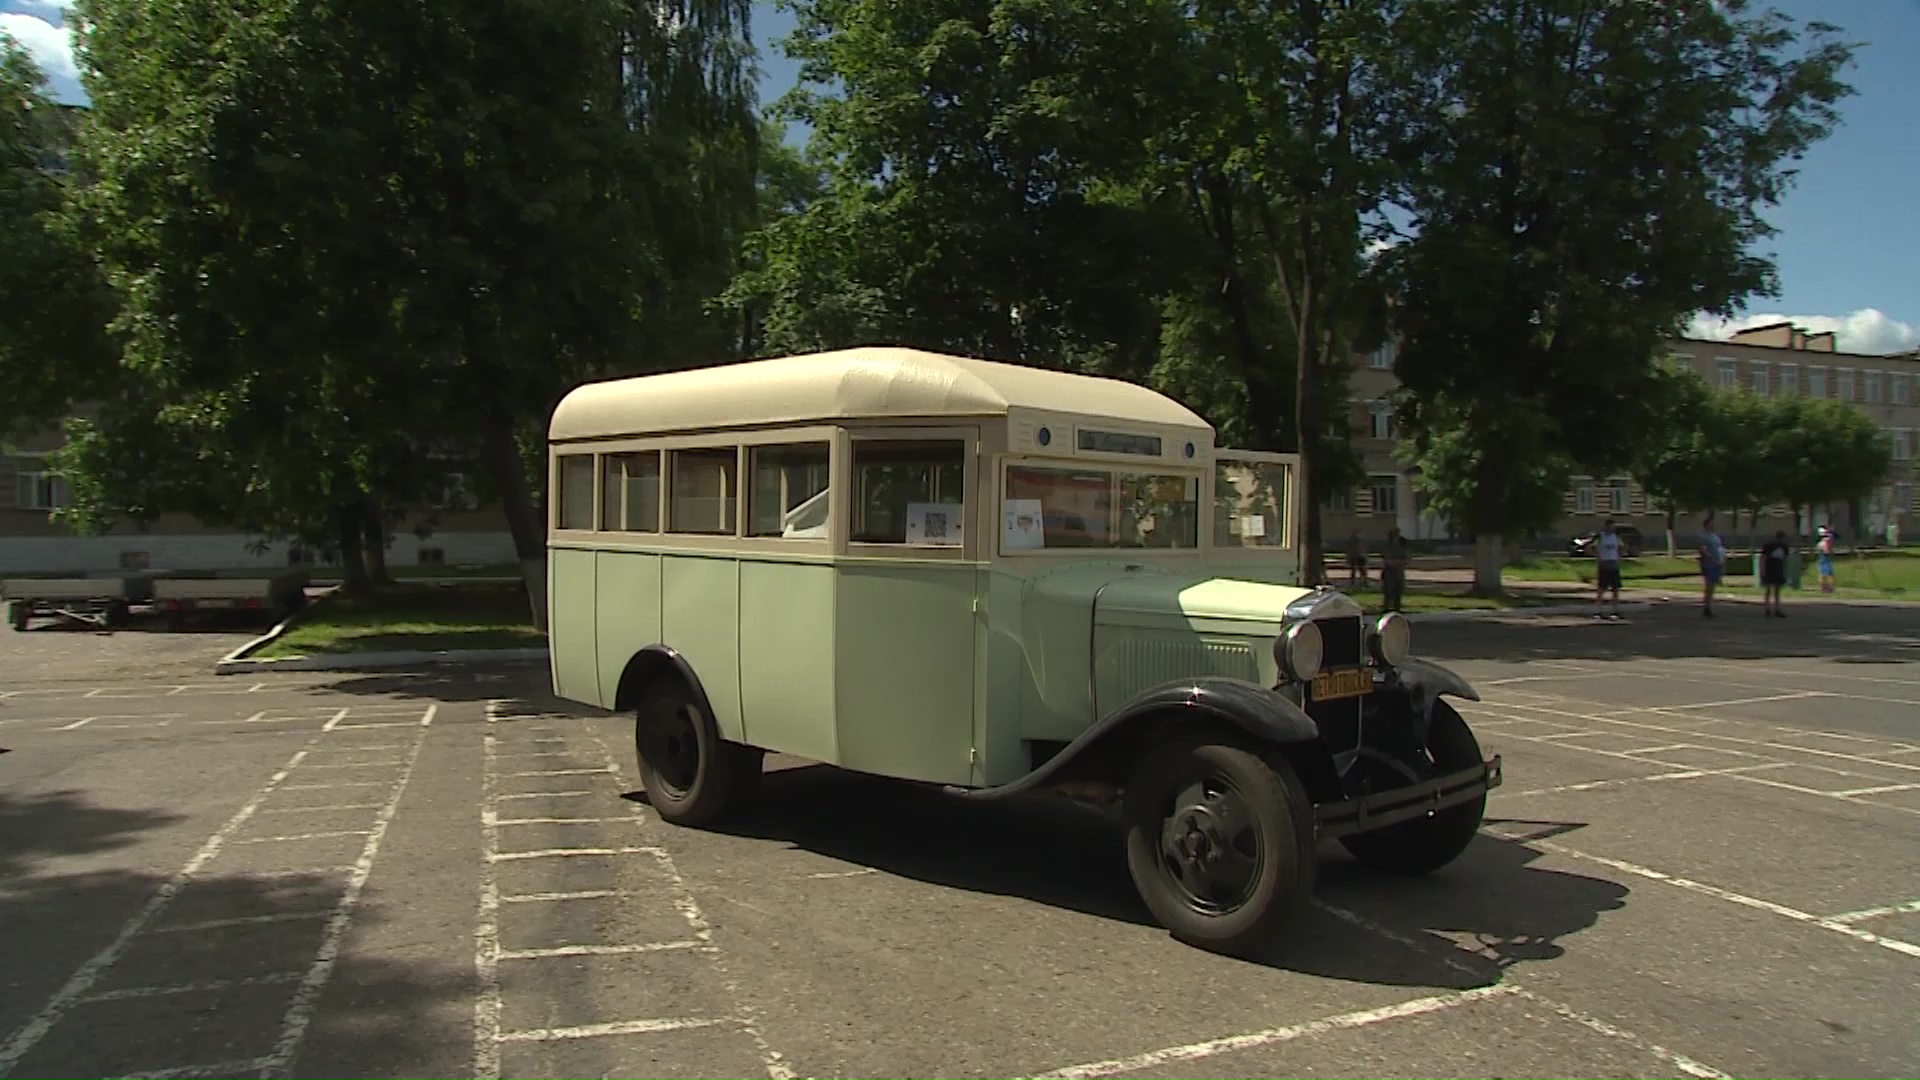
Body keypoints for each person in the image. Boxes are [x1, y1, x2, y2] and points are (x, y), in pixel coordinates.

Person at [1593, 519, 1624, 620]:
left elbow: (1622, 547)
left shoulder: (1616, 537)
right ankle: (1598, 611)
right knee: (1601, 589)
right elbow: (1592, 547)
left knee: (1615, 589)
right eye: (1610, 526)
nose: (1611, 528)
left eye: (1613, 527)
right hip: (1604, 564)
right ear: (1606, 527)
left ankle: (1615, 610)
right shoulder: (1601, 537)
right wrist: (1598, 557)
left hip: (1613, 564)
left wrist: (1619, 557)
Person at [1698, 513, 1725, 618]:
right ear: (1706, 525)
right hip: (1708, 565)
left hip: (1717, 564)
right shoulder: (1703, 537)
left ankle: (1709, 605)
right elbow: (1704, 550)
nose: (1713, 526)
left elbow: (1720, 549)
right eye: (1711, 524)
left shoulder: (1716, 537)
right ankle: (1706, 607)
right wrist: (1712, 559)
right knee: (1709, 586)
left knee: (1713, 586)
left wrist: (1721, 560)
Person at [1760, 529, 1790, 617]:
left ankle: (1768, 608)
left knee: (1769, 588)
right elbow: (1785, 559)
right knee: (1776, 589)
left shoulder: (1770, 545)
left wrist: (1762, 569)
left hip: (1770, 566)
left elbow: (1763, 557)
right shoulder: (1783, 546)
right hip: (1776, 567)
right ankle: (1775, 608)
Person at [1380, 526, 1409, 613]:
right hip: (1389, 570)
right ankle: (1387, 607)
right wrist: (1390, 562)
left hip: (1398, 570)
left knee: (1398, 589)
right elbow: (1385, 556)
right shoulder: (1387, 545)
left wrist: (1398, 562)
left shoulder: (1402, 544)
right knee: (1388, 589)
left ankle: (1397, 607)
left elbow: (1406, 557)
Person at [1815, 525, 1836, 593]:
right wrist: (1830, 551)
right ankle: (1824, 588)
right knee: (1824, 575)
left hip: (1824, 560)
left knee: (1828, 574)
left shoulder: (1822, 543)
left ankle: (1828, 588)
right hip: (1824, 560)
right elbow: (1826, 551)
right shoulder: (1823, 543)